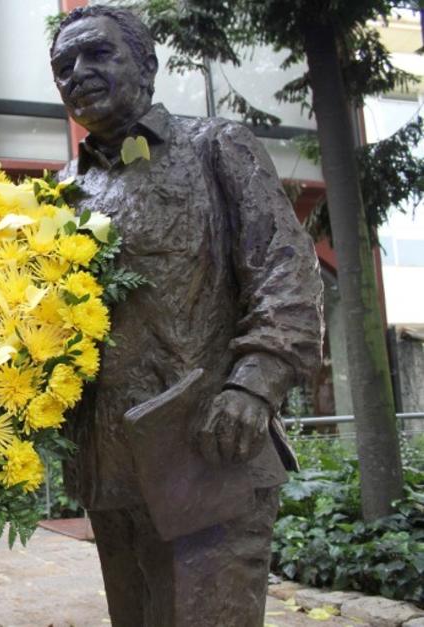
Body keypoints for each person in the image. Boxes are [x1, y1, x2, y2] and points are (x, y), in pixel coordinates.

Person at [50, 7, 323, 627]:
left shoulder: (214, 148)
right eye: (63, 66)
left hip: (209, 451)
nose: (79, 73)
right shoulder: (59, 192)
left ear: (146, 65)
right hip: (109, 467)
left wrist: (255, 382)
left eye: (97, 55)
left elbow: (287, 271)